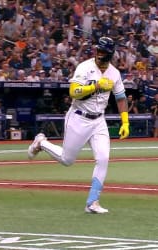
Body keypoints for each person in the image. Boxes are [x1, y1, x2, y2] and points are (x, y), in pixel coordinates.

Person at [28, 37, 130, 214]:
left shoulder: (114, 73)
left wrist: (125, 121)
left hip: (99, 120)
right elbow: (73, 91)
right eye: (98, 50)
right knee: (67, 160)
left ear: (110, 54)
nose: (99, 53)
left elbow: (121, 97)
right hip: (78, 117)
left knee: (103, 158)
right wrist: (96, 86)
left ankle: (92, 202)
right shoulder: (85, 67)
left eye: (103, 51)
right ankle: (41, 142)